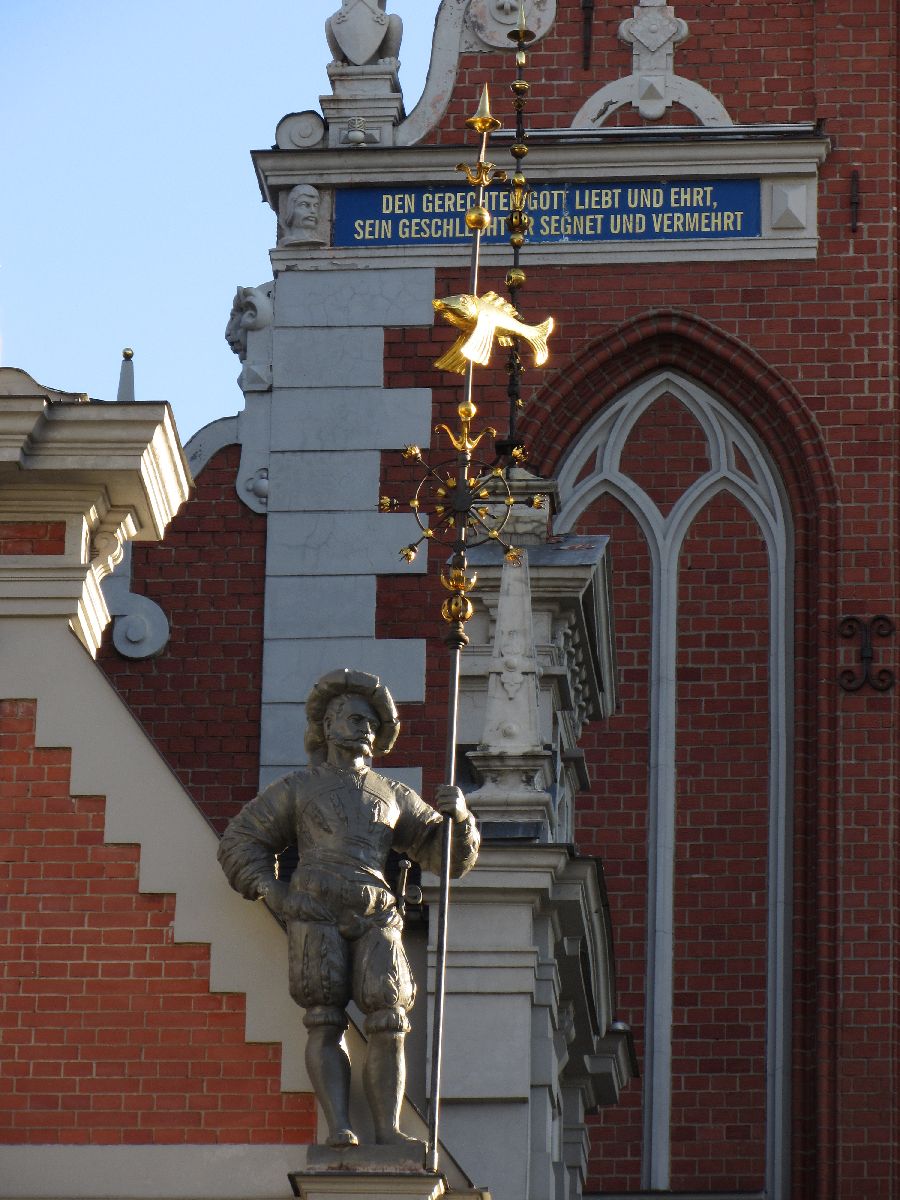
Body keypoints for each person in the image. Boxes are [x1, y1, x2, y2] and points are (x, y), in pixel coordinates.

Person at [217, 668, 479, 1149]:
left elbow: (446, 858)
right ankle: (339, 1125)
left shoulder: (394, 794)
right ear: (328, 724)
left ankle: (388, 1130)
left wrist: (459, 817)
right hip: (315, 907)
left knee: (389, 1016)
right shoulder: (298, 788)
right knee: (323, 1014)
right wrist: (271, 890)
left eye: (373, 724)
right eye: (356, 719)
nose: (366, 730)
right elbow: (241, 839)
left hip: (376, 909)